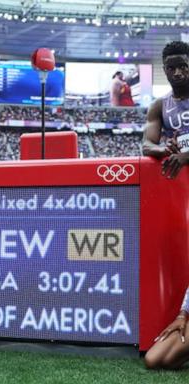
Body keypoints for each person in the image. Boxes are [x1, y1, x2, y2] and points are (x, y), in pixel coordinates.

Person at [143, 40, 189, 369]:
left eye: (183, 66)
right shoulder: (161, 106)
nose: (177, 72)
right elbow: (147, 142)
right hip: (179, 193)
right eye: (170, 67)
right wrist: (163, 151)